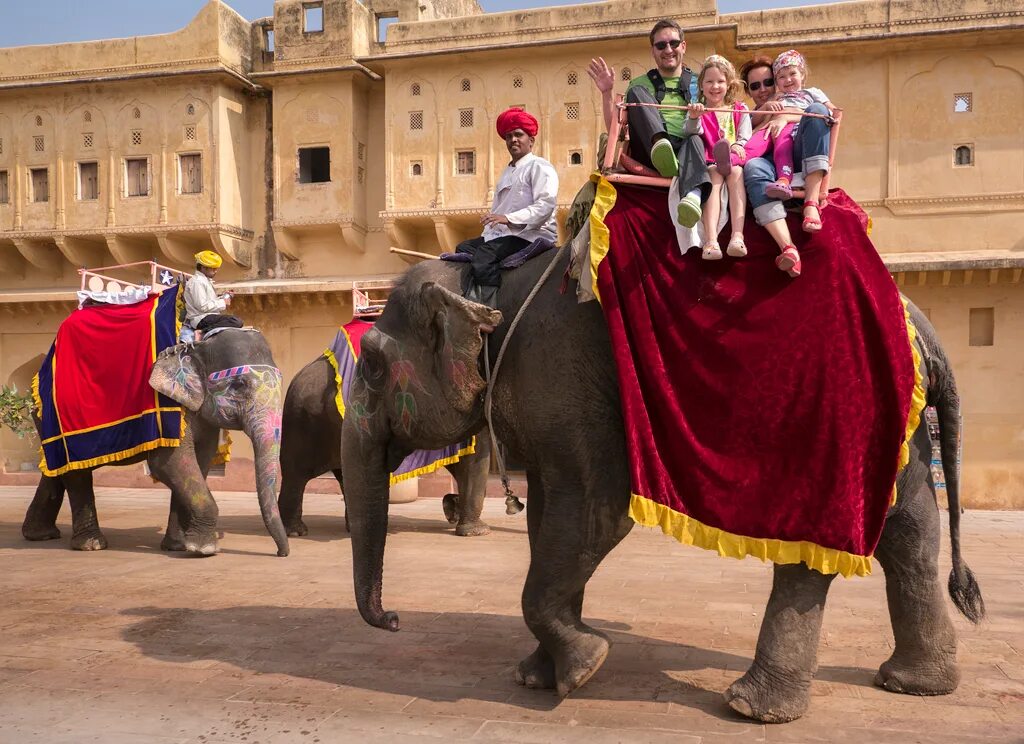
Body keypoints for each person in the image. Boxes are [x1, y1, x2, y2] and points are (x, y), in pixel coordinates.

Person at [587, 19, 710, 228]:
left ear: (683, 45)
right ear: (653, 51)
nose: (668, 49)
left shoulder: (701, 83)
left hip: (689, 152)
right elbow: (615, 130)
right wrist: (607, 92)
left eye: (673, 43)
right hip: (651, 151)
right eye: (661, 45)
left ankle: (692, 200)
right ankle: (661, 146)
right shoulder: (639, 85)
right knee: (636, 94)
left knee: (695, 139)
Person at [741, 50, 837, 278]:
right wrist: (766, 115)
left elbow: (829, 115)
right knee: (753, 166)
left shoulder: (803, 97)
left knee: (817, 112)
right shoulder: (762, 108)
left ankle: (811, 204)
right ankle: (787, 247)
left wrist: (785, 116)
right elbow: (747, 133)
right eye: (755, 86)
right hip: (767, 159)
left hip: (796, 151)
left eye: (768, 82)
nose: (763, 89)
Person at [455, 107, 558, 301]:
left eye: (519, 135)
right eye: (509, 136)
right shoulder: (508, 171)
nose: (513, 140)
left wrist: (508, 218)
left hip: (530, 234)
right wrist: (490, 227)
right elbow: (502, 209)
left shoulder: (540, 166)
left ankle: (487, 308)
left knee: (485, 255)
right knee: (463, 248)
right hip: (506, 234)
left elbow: (545, 205)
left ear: (531, 140)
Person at [683, 55, 750, 260]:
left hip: (733, 161)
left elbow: (744, 136)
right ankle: (711, 240)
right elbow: (690, 131)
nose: (715, 86)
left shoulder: (740, 109)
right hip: (710, 161)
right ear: (701, 85)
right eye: (709, 81)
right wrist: (694, 117)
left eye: (720, 81)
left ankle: (737, 236)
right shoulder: (698, 110)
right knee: (713, 176)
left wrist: (738, 145)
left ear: (729, 84)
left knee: (736, 172)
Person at [183, 250, 242, 333]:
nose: (216, 271)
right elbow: (202, 306)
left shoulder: (205, 281)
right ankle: (202, 332)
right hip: (201, 318)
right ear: (203, 267)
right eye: (213, 269)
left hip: (209, 316)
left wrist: (223, 297)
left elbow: (209, 302)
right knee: (235, 321)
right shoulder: (197, 282)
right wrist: (223, 302)